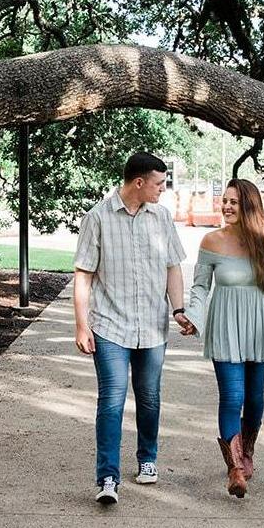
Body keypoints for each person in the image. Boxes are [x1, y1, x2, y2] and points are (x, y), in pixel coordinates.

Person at [73, 152, 194, 506]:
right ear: (139, 183)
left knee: (149, 397)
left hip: (153, 327)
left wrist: (179, 310)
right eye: (159, 183)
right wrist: (82, 325)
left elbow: (173, 267)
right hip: (111, 327)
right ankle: (107, 476)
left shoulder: (162, 217)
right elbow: (84, 275)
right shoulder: (98, 218)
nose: (163, 189)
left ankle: (147, 459)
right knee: (111, 401)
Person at [183, 178, 264, 498]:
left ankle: (247, 452)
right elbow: (201, 288)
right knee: (232, 397)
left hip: (259, 327)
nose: (227, 206)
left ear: (248, 206)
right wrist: (193, 317)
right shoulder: (211, 241)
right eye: (225, 201)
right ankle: (234, 469)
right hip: (225, 327)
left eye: (234, 201)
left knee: (255, 399)